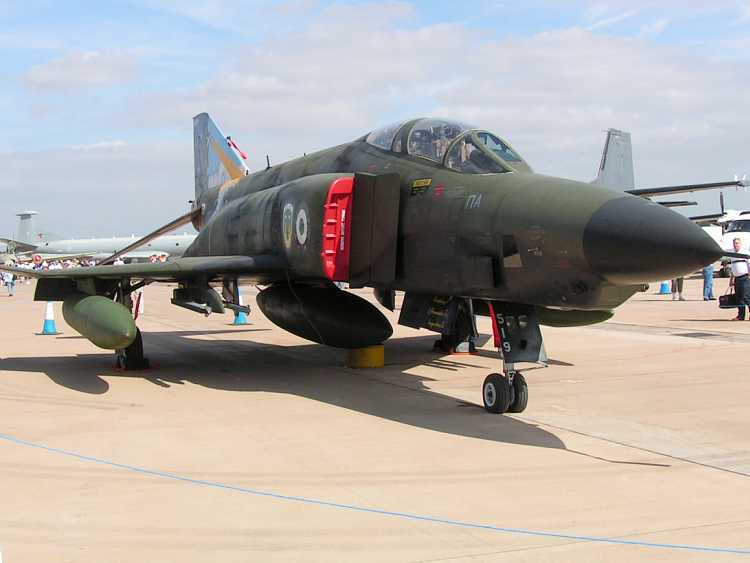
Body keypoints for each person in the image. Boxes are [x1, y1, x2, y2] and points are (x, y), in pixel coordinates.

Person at [729, 237, 750, 320]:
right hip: (737, 278)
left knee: (746, 296)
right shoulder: (732, 254)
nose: (735, 245)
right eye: (734, 243)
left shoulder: (745, 253)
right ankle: (740, 316)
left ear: (740, 244)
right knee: (739, 297)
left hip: (744, 277)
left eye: (737, 243)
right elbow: (733, 268)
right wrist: (731, 280)